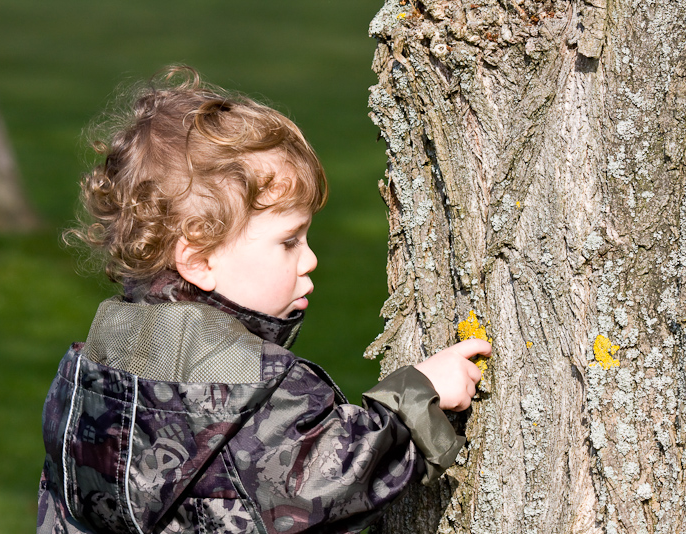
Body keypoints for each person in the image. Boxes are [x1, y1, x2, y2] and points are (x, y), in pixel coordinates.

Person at [36, 66, 490, 534]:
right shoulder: (252, 387)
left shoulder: (95, 367)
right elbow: (332, 478)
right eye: (289, 241)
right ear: (199, 261)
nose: (310, 259)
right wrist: (416, 400)